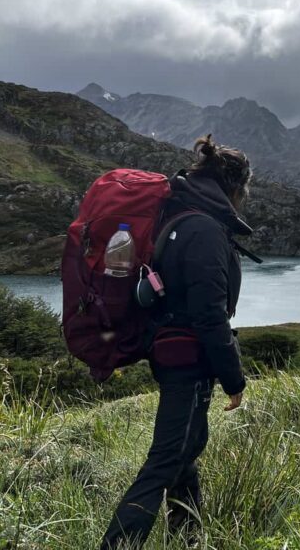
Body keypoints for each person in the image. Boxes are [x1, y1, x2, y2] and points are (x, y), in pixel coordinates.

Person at [101, 134, 252, 549]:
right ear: (236, 187)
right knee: (167, 460)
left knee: (185, 455)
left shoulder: (179, 215)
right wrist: (234, 378)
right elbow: (209, 314)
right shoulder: (203, 229)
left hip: (170, 351)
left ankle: (189, 541)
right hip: (188, 358)